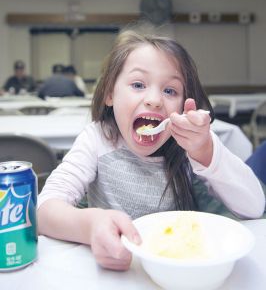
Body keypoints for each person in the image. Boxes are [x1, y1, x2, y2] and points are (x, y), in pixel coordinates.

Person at [38, 27, 265, 272]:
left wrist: (206, 152)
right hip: (114, 270)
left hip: (176, 266)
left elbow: (253, 208)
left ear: (182, 103)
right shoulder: (98, 138)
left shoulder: (191, 141)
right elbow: (44, 210)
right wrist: (91, 224)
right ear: (109, 94)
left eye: (170, 91)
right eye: (138, 84)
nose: (155, 99)